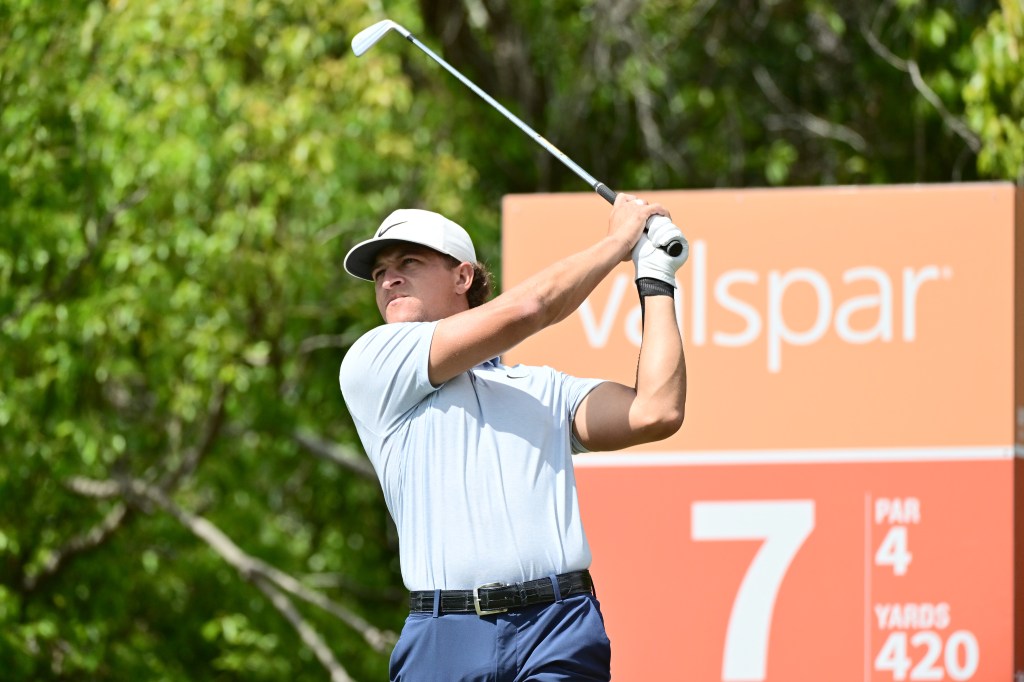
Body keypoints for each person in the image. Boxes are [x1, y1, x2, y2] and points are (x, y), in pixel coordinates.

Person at [338, 194, 688, 681]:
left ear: (463, 277)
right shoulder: (375, 362)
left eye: (409, 262)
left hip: (558, 626)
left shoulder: (544, 390)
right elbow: (529, 308)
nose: (389, 278)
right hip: (445, 634)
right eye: (379, 273)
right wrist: (618, 241)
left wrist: (656, 279)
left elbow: (656, 410)